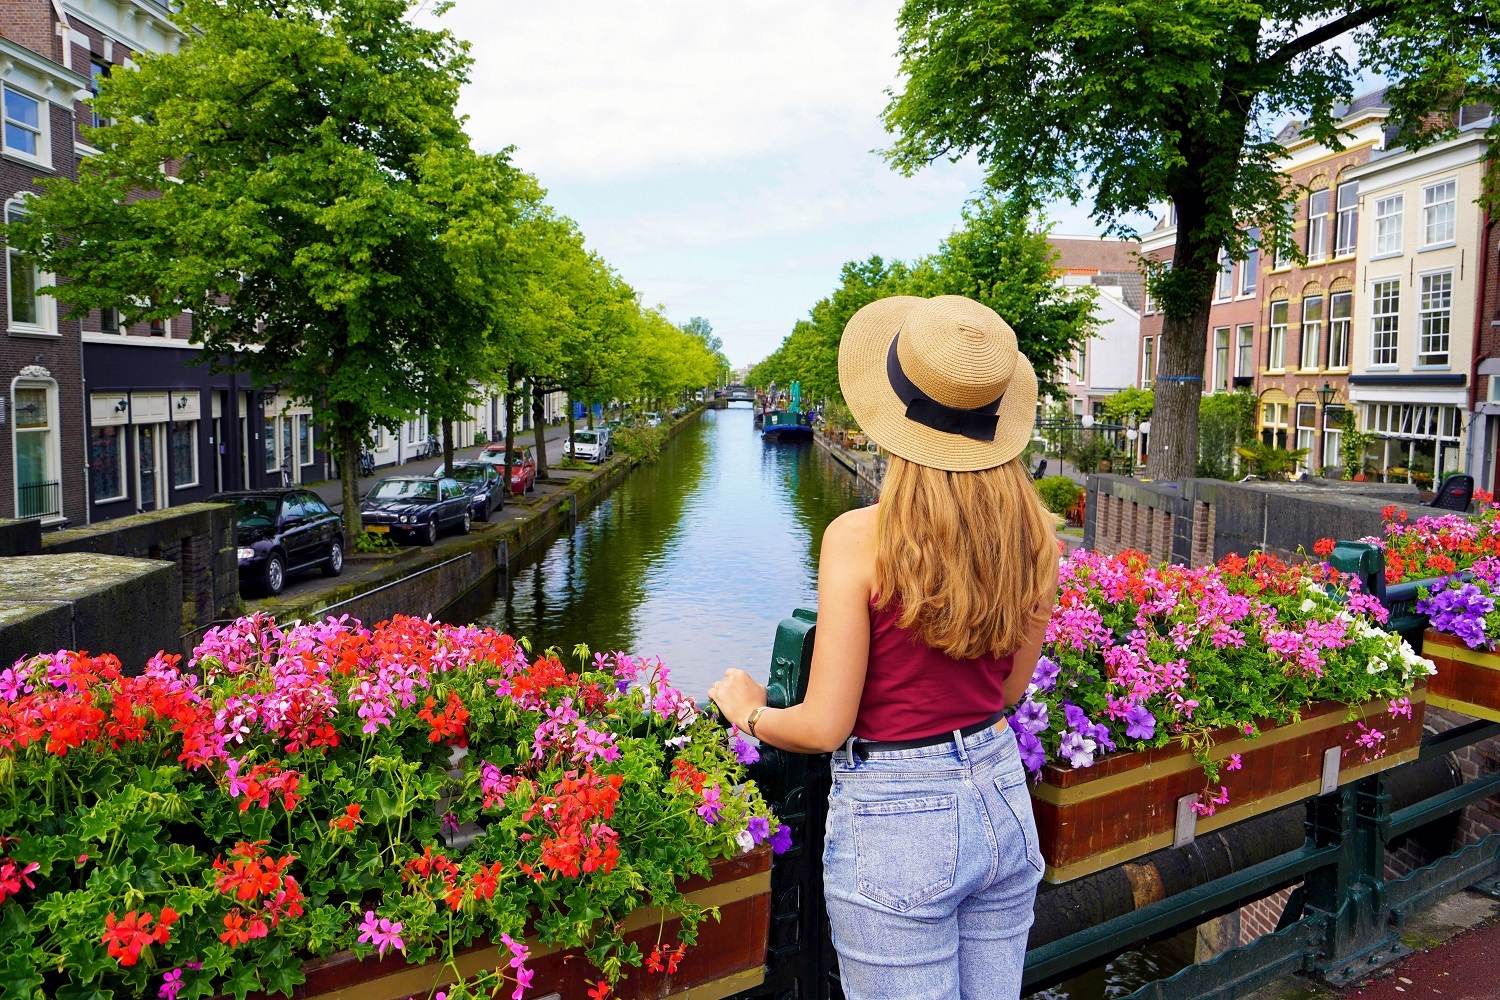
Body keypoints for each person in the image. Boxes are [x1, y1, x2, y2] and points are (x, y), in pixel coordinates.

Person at [709, 295, 1058, 1000]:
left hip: (900, 823)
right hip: (1001, 793)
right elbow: (1011, 690)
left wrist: (748, 710)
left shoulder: (860, 538)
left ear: (892, 417)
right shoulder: (1037, 534)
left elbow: (824, 725)